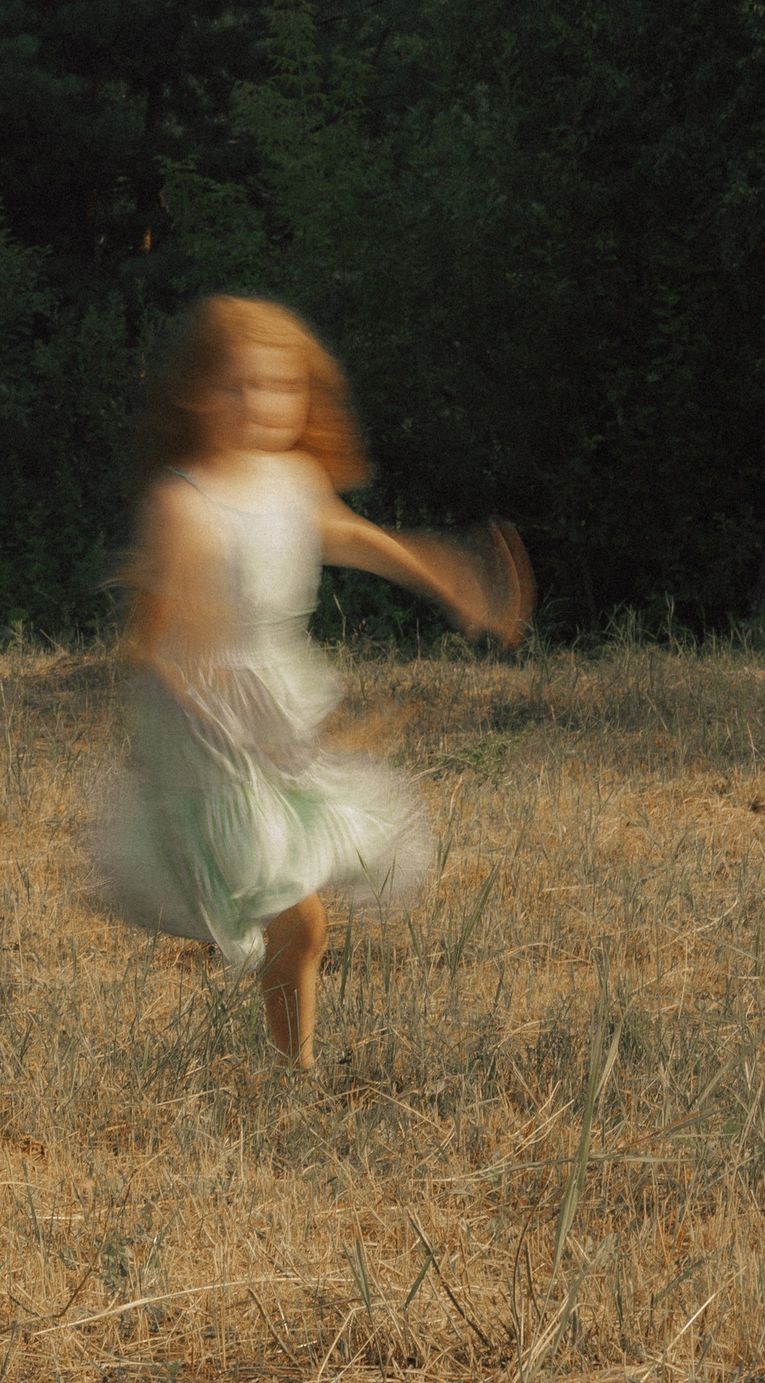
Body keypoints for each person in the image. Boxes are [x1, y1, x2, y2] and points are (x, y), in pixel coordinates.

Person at [94, 295, 532, 1071]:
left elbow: (349, 535)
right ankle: (287, 1061)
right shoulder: (182, 502)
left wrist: (445, 577)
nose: (259, 404)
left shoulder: (292, 478)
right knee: (293, 907)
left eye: (279, 386)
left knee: (301, 924)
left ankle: (286, 1064)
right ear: (199, 392)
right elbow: (152, 641)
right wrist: (224, 723)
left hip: (276, 711)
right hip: (208, 725)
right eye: (238, 385)